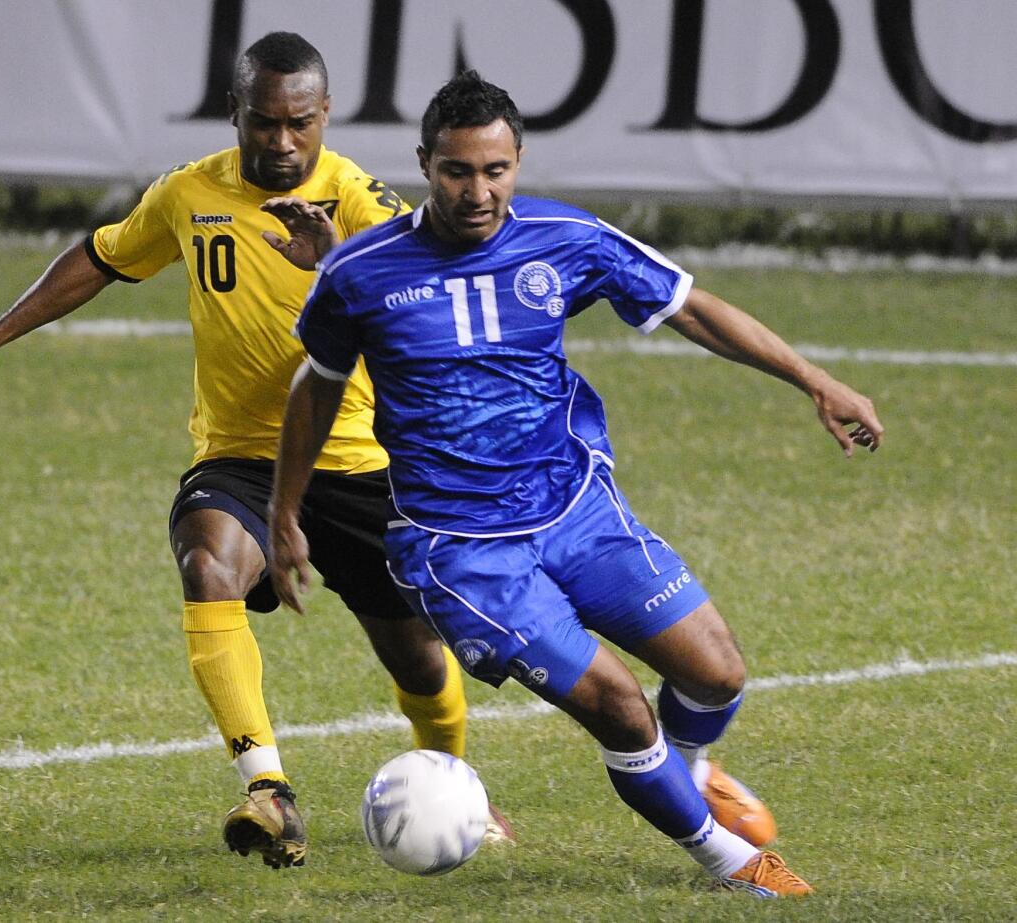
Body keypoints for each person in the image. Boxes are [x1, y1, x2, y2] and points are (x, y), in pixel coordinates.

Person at [0, 33, 511, 871]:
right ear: (236, 114)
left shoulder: (362, 202)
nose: (282, 143)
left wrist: (338, 265)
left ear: (326, 114)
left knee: (418, 656)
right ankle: (268, 786)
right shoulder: (189, 193)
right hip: (242, 455)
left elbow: (422, 305)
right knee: (209, 563)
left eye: (299, 124)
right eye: (263, 123)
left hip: (359, 462)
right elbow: (104, 256)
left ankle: (459, 782)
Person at [268, 70, 884, 897]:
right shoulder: (362, 272)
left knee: (717, 673)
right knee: (622, 706)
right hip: (465, 553)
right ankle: (732, 862)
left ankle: (689, 770)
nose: (477, 190)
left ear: (518, 161)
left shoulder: (566, 238)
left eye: (495, 170)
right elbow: (319, 385)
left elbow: (692, 307)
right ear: (425, 164)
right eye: (457, 170)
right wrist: (283, 511)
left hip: (576, 509)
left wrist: (814, 378)